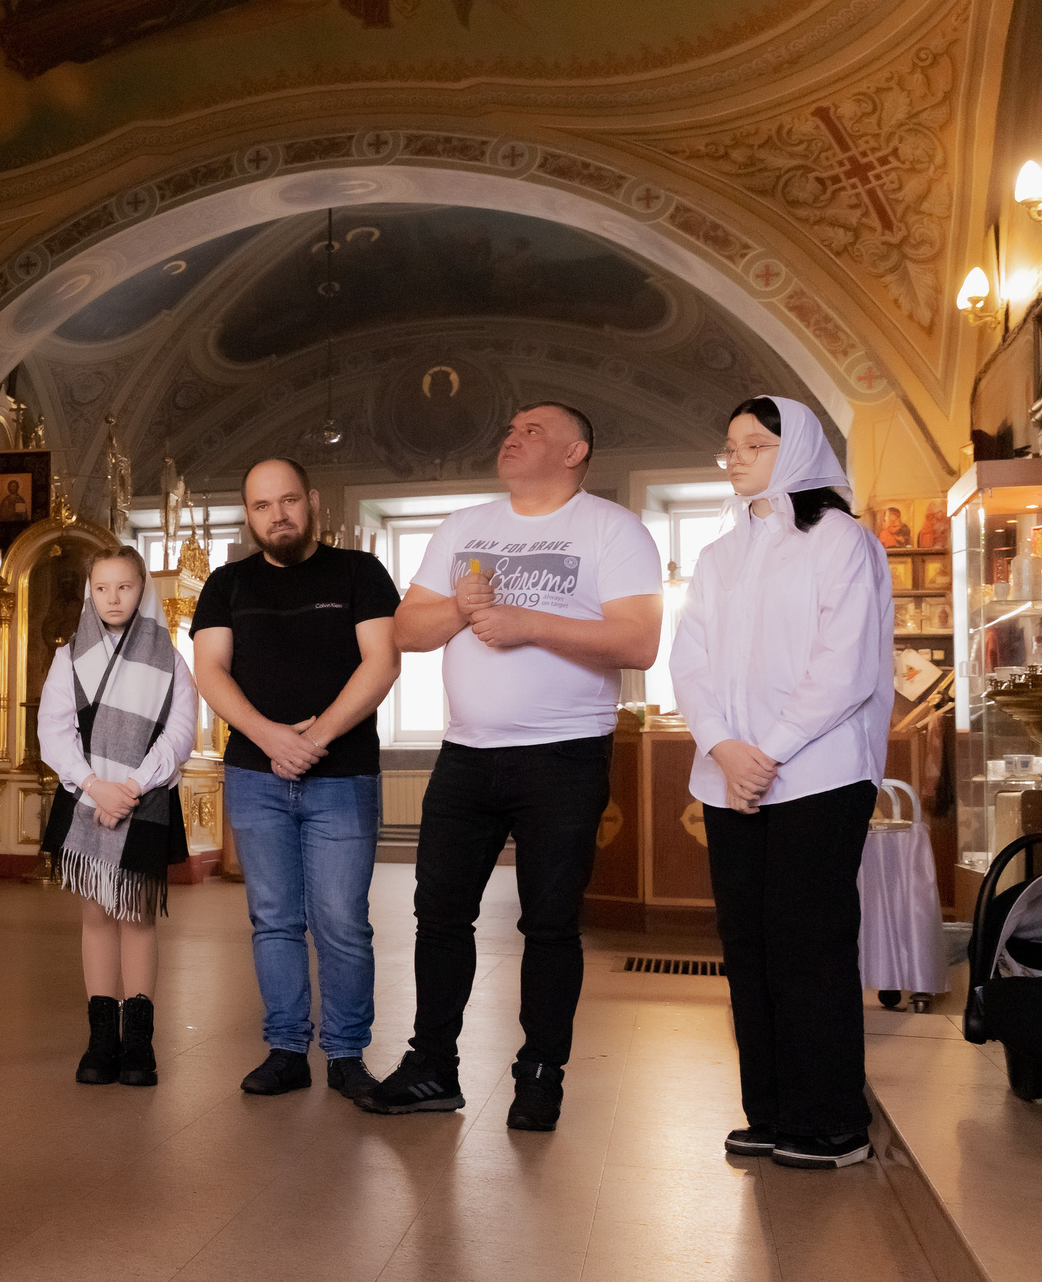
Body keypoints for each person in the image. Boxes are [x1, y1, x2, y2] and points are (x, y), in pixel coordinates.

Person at [368, 403, 662, 1130]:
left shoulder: (611, 528)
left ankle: (540, 1076)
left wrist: (528, 621)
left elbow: (639, 641)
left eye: (533, 429)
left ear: (574, 451)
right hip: (467, 755)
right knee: (438, 915)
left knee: (550, 923)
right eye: (510, 426)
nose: (513, 435)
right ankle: (432, 1065)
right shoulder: (463, 526)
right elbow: (407, 629)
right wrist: (462, 612)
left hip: (564, 754)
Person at [673, 397, 892, 1168]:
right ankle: (768, 1110)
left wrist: (767, 749)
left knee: (811, 942)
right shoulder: (718, 556)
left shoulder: (841, 541)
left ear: (795, 450)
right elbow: (689, 663)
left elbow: (847, 666)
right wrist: (726, 748)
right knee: (749, 943)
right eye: (728, 444)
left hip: (821, 772)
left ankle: (831, 1122)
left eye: (754, 444)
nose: (734, 457)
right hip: (731, 776)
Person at [190, 457, 400, 1101]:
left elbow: (382, 663)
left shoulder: (359, 572)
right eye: (260, 506)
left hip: (343, 777)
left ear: (311, 502)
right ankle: (286, 1049)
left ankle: (344, 1055)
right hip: (257, 776)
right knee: (274, 919)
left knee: (341, 920)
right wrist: (271, 736)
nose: (276, 515)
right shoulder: (227, 584)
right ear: (249, 516)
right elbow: (210, 672)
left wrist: (314, 738)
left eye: (287, 501)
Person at [39, 546, 200, 1087]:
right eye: (102, 588)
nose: (113, 598)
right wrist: (95, 787)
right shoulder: (70, 657)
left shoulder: (170, 660)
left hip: (143, 796)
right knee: (97, 916)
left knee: (137, 915)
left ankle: (139, 1044)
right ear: (91, 591)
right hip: (87, 796)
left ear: (142, 589)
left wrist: (130, 787)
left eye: (124, 587)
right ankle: (100, 1040)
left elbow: (180, 735)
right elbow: (54, 732)